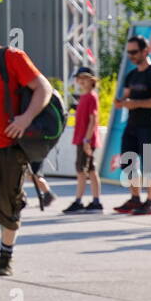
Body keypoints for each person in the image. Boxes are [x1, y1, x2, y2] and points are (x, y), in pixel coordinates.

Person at [0, 4, 54, 282]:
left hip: (8, 144)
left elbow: (44, 88)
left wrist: (25, 119)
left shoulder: (11, 58)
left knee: (9, 203)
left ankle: (6, 254)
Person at [111, 35, 151, 216]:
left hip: (148, 126)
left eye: (134, 52)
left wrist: (137, 103)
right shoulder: (131, 75)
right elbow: (127, 97)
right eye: (129, 53)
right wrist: (121, 102)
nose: (131, 56)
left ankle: (149, 203)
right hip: (132, 125)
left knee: (149, 166)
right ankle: (135, 198)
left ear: (145, 51)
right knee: (127, 163)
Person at [62, 66, 102, 213]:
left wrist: (87, 140)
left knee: (81, 171)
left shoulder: (91, 97)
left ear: (92, 81)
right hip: (83, 139)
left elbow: (93, 120)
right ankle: (96, 201)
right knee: (90, 170)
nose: (82, 81)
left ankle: (78, 201)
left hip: (86, 140)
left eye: (85, 79)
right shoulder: (84, 98)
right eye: (80, 79)